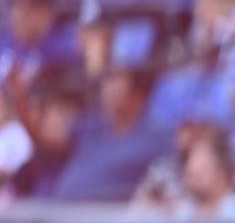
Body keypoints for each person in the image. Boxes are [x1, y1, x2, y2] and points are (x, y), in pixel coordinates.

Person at [49, 65, 171, 201]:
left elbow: (166, 181)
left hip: (109, 216)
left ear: (137, 93)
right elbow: (50, 142)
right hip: (59, 211)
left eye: (114, 83)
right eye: (105, 83)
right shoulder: (91, 124)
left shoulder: (157, 135)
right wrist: (22, 101)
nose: (106, 90)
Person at [171, 132, 235, 221]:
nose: (192, 170)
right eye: (189, 163)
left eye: (203, 167)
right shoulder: (182, 213)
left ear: (222, 172)